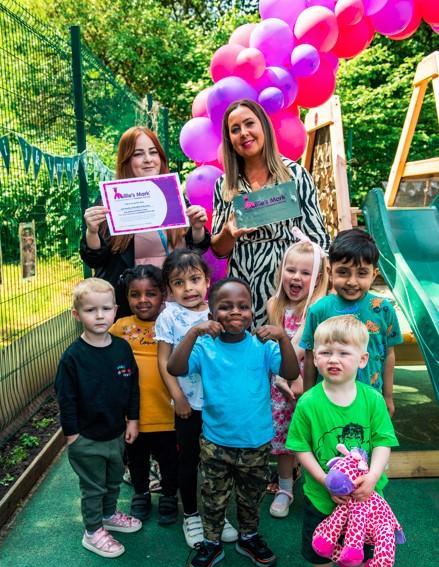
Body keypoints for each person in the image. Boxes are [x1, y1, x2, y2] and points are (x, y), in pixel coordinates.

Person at [167, 277, 299, 567]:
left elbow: (291, 372)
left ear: (253, 312)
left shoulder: (262, 346)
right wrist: (193, 332)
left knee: (251, 497)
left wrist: (283, 338)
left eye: (243, 306)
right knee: (213, 497)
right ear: (212, 316)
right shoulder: (204, 346)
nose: (235, 312)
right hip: (216, 442)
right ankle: (211, 543)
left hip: (256, 443)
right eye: (225, 307)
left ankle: (249, 537)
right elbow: (175, 368)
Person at [286, 315, 399, 567]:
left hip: (365, 497)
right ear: (315, 357)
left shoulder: (372, 400)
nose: (333, 359)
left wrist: (373, 477)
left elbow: (383, 442)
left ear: (362, 359)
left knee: (362, 542)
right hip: (322, 496)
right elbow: (299, 446)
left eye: (343, 352)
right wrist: (323, 480)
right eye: (325, 352)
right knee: (321, 544)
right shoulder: (309, 402)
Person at [210, 99, 330, 327]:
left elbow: (318, 238)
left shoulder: (294, 175)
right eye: (235, 130)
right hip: (242, 284)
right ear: (229, 140)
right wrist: (228, 232)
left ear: (263, 126)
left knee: (282, 352)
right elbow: (218, 249)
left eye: (249, 124)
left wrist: (318, 287)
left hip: (286, 283)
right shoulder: (224, 185)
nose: (244, 133)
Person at [80, 126, 211, 317]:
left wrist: (197, 228)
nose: (148, 159)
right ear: (126, 161)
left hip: (177, 304)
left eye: (153, 152)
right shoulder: (111, 200)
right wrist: (92, 232)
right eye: (138, 154)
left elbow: (196, 249)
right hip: (133, 307)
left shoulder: (173, 195)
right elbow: (95, 260)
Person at [155, 249, 238, 548]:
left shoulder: (219, 311)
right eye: (179, 283)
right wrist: (178, 397)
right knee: (189, 461)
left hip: (220, 406)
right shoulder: (168, 316)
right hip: (189, 406)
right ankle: (191, 515)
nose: (188, 288)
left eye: (194, 279)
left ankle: (216, 513)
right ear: (169, 288)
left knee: (219, 463)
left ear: (207, 281)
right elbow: (164, 362)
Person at [55, 278, 142, 559]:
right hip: (86, 438)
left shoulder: (122, 348)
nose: (100, 315)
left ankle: (107, 515)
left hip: (116, 433)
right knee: (93, 487)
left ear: (116, 309)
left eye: (106, 308)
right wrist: (72, 435)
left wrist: (133, 420)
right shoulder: (72, 358)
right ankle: (92, 532)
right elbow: (65, 399)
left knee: (114, 480)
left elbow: (132, 387)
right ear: (76, 315)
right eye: (91, 310)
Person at [301, 229, 403, 415]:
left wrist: (388, 396)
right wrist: (307, 398)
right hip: (326, 402)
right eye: (343, 272)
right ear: (330, 272)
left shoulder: (384, 309)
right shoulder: (318, 310)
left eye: (362, 273)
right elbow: (310, 356)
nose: (352, 281)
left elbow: (389, 354)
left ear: (374, 274)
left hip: (371, 402)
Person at [109, 265, 179, 525]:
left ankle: (170, 496)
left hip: (167, 413)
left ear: (163, 294)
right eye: (135, 294)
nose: (142, 300)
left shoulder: (172, 322)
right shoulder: (120, 328)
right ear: (126, 298)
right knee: (137, 459)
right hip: (133, 417)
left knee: (169, 459)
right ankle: (140, 494)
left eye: (150, 293)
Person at [267, 230, 329, 518]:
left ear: (317, 278)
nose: (295, 277)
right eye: (290, 269)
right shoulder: (275, 305)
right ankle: (284, 487)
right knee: (284, 437)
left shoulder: (316, 308)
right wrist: (281, 378)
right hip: (281, 384)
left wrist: (291, 377)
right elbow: (274, 346)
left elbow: (299, 348)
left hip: (310, 381)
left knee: (314, 434)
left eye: (305, 272)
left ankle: (324, 484)